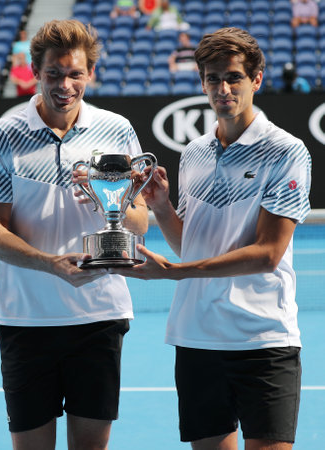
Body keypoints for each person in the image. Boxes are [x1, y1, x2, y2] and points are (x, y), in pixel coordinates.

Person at [110, 27, 311, 449]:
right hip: (197, 338)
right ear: (202, 83)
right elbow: (191, 246)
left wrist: (175, 273)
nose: (224, 88)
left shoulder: (286, 151)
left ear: (256, 80)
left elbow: (268, 254)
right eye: (213, 78)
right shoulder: (194, 153)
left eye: (234, 77)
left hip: (263, 339)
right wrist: (163, 206)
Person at [0, 19, 148, 450]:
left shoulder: (117, 129)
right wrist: (50, 264)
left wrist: (116, 207)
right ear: (36, 70)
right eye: (54, 73)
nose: (65, 84)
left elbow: (141, 219)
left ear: (90, 74)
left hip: (99, 317)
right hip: (25, 320)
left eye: (75, 74)